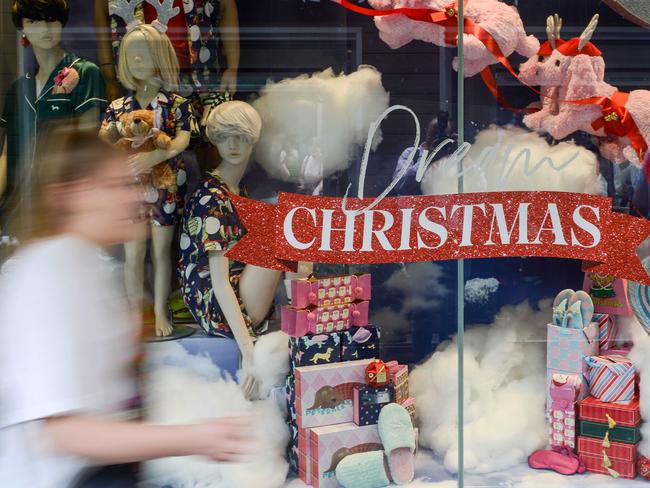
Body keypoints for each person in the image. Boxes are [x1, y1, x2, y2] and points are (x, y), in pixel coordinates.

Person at [0, 128, 257, 488]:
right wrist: (197, 437)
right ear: (70, 195)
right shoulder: (47, 273)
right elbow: (64, 433)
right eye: (115, 186)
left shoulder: (90, 264)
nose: (134, 197)